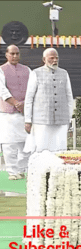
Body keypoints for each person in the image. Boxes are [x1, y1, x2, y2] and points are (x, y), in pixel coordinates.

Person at [23, 48, 74, 153]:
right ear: (44, 59)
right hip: (41, 120)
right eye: (52, 58)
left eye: (56, 58)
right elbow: (29, 98)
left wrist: (69, 118)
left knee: (60, 149)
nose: (55, 61)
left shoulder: (64, 73)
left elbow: (69, 96)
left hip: (61, 119)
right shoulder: (35, 73)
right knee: (41, 149)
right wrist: (28, 119)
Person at [0, 45, 31, 180]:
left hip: (25, 113)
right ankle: (12, 171)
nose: (15, 56)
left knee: (26, 143)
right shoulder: (1, 70)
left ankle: (22, 169)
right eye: (12, 54)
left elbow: (32, 88)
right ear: (6, 55)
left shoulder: (27, 70)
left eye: (17, 53)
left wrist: (25, 104)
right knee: (9, 144)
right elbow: (2, 90)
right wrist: (16, 103)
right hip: (8, 115)